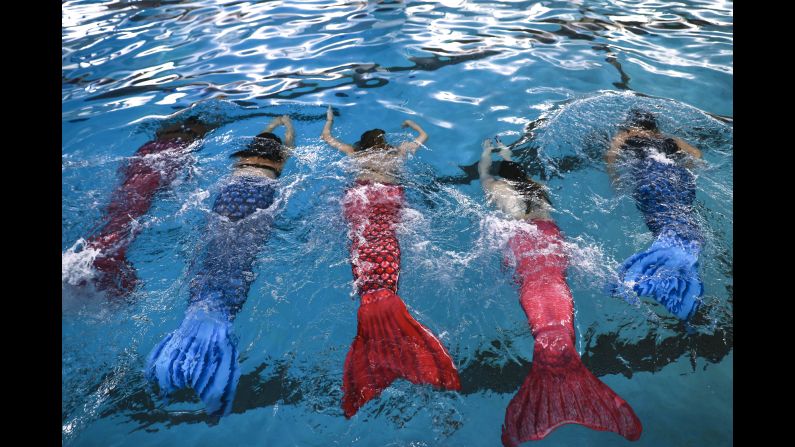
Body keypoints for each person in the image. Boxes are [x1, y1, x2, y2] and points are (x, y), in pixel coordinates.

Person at [479, 138, 641, 446]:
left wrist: (488, 153)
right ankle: (563, 362)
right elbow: (517, 170)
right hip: (552, 239)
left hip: (522, 241)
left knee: (532, 283)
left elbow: (485, 174)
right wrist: (507, 153)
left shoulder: (497, 189)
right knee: (553, 281)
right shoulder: (538, 187)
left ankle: (554, 367)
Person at [146, 115, 295, 417]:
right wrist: (288, 127)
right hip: (258, 198)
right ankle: (211, 343)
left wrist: (271, 125)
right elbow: (288, 148)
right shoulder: (276, 164)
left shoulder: (239, 161)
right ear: (276, 154)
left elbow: (260, 138)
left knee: (216, 254)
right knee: (240, 260)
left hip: (229, 198)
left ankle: (192, 330)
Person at [320, 106, 460, 417]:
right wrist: (412, 123)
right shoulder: (396, 153)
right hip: (387, 197)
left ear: (363, 146)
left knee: (362, 236)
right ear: (383, 142)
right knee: (383, 235)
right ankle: (389, 317)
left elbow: (326, 138)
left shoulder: (355, 156)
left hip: (359, 197)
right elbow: (422, 137)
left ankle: (375, 314)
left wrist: (329, 119)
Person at [84, 112, 220, 296]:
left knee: (122, 205)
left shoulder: (160, 131)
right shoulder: (189, 140)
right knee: (134, 208)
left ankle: (95, 251)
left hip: (145, 153)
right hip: (170, 156)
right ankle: (106, 257)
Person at [605, 108, 704, 320]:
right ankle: (681, 257)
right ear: (655, 126)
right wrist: (684, 166)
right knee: (679, 214)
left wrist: (616, 182)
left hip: (651, 175)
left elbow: (610, 157)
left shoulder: (628, 136)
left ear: (632, 125)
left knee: (664, 221)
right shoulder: (667, 139)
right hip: (678, 176)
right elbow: (697, 155)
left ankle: (664, 264)